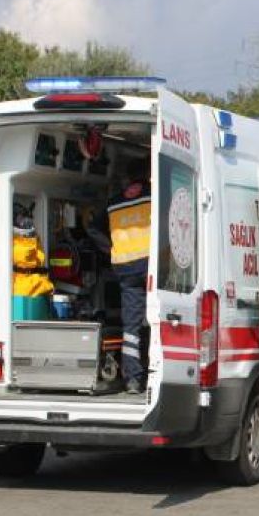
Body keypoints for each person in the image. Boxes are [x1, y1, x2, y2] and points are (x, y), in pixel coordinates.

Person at [107, 158, 151, 394]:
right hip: (152, 268)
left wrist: (110, 248)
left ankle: (133, 380)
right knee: (161, 321)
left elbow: (94, 228)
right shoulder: (155, 196)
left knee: (131, 328)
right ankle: (155, 371)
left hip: (125, 270)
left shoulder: (113, 203)